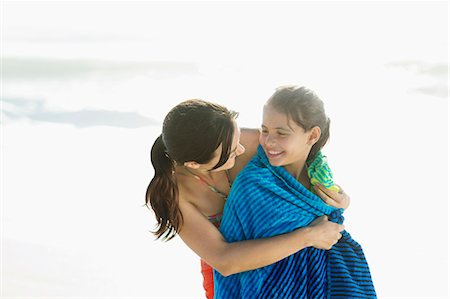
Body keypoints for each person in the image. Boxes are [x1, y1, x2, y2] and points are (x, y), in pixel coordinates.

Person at [145, 99, 350, 298]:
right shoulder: (176, 197)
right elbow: (224, 260)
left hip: (290, 252)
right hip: (234, 270)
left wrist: (338, 197)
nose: (243, 149)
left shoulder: (246, 140)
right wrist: (308, 237)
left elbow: (304, 156)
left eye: (238, 138)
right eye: (233, 151)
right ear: (193, 164)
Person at [214, 85, 376, 298]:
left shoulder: (321, 178)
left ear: (312, 135)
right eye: (264, 130)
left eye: (281, 133)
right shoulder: (253, 185)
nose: (269, 141)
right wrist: (309, 235)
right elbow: (233, 261)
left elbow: (331, 224)